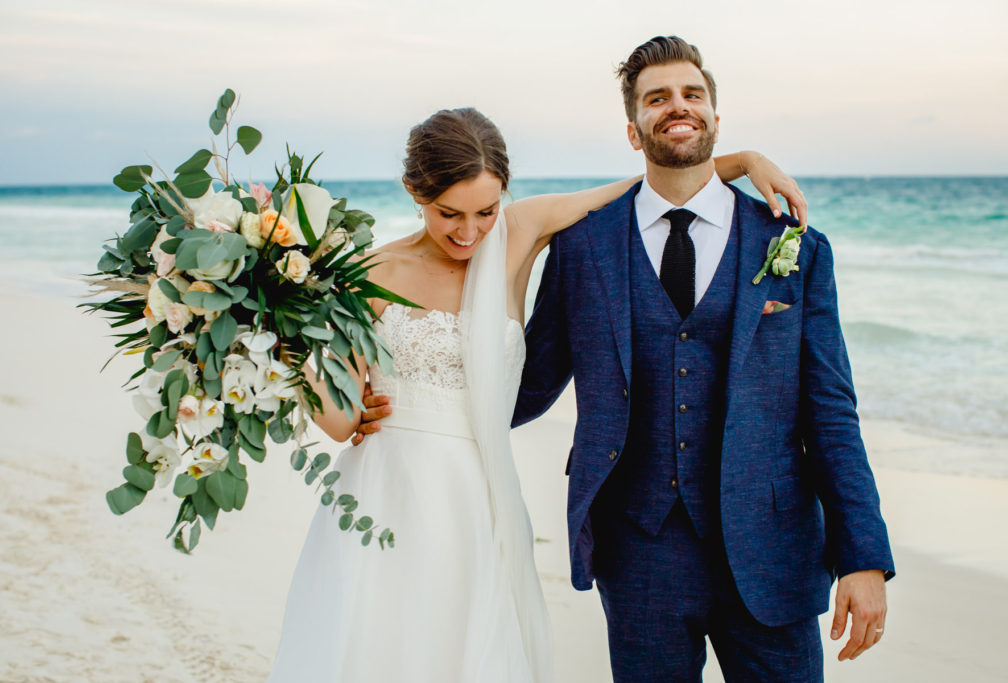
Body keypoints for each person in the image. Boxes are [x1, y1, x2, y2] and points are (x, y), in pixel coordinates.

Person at [270, 106, 807, 682]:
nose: (469, 232)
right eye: (448, 213)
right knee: (382, 644)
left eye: (485, 210)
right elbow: (339, 418)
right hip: (386, 486)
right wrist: (280, 336)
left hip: (480, 491)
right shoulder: (370, 272)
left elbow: (643, 190)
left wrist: (745, 162)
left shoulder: (519, 233)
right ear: (413, 191)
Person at [503, 37, 896, 682]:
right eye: (657, 98)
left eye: (692, 94)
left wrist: (863, 556)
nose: (677, 107)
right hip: (638, 550)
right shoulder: (582, 249)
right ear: (634, 131)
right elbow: (529, 386)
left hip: (772, 549)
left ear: (715, 117)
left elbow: (830, 411)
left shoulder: (794, 245)